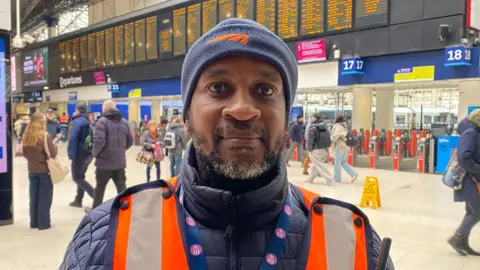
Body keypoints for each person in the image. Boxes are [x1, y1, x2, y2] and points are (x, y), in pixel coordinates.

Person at [60, 19, 393, 269]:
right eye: (219, 88)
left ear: (286, 112)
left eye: (265, 90)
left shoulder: (354, 245)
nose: (243, 110)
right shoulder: (108, 235)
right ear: (187, 115)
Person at [448, 110, 480, 256]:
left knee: (471, 211)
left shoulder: (475, 132)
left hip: (474, 179)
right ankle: (457, 238)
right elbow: (464, 157)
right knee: (477, 212)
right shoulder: (471, 133)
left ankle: (463, 242)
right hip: (469, 180)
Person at [91, 100, 133, 209]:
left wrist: (95, 154)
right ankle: (126, 209)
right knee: (121, 188)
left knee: (100, 188)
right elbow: (130, 141)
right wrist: (120, 151)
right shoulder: (124, 122)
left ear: (104, 109)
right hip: (119, 163)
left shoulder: (102, 121)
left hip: (104, 163)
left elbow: (99, 141)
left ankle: (95, 211)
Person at [22, 112, 57, 230]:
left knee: (34, 197)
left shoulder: (26, 136)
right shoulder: (45, 136)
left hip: (32, 170)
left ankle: (34, 222)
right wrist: (55, 143)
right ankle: (44, 223)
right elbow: (53, 153)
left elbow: (25, 154)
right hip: (44, 171)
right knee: (45, 197)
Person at [67, 101, 95, 208]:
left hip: (79, 153)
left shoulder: (78, 122)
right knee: (81, 176)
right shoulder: (89, 121)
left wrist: (71, 154)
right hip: (89, 152)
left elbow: (73, 138)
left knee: (76, 177)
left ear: (78, 110)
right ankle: (78, 200)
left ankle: (96, 196)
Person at [305, 113, 334, 184]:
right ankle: (310, 179)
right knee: (316, 164)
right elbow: (329, 136)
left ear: (314, 118)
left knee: (319, 165)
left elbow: (309, 138)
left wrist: (309, 148)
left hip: (315, 148)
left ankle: (329, 179)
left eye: (312, 117)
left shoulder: (312, 126)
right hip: (323, 148)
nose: (311, 118)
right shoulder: (324, 125)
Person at [330, 115, 358, 183]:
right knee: (342, 161)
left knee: (337, 163)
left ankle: (336, 178)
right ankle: (353, 173)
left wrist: (331, 138)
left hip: (339, 145)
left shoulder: (338, 126)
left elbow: (335, 136)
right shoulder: (345, 126)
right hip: (345, 146)